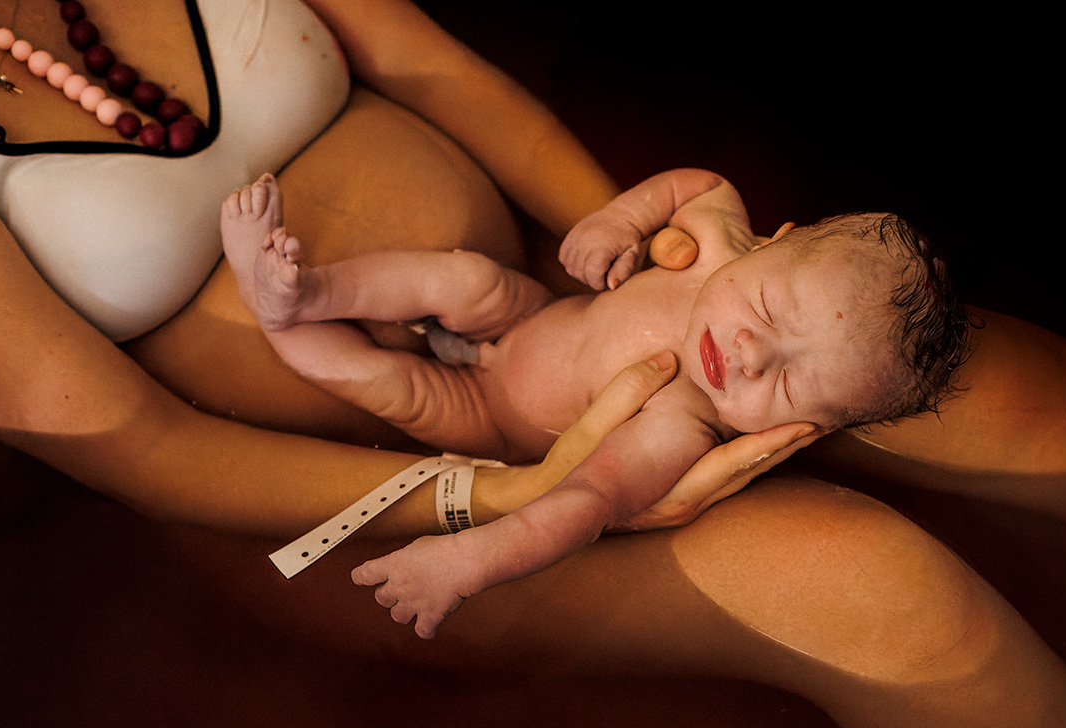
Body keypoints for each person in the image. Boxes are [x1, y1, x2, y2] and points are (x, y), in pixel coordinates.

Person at [0, 1, 1066, 728]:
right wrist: (516, 490)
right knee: (885, 591)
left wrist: (644, 261)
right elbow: (145, 447)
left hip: (550, 304)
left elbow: (440, 74)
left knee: (971, 371)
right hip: (351, 497)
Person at [220, 167, 968, 637]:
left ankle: (282, 322)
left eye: (790, 386)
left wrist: (471, 560)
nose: (751, 353)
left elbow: (588, 500)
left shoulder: (682, 421)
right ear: (774, 242)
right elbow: (700, 187)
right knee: (466, 280)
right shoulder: (718, 242)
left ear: (806, 429)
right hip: (529, 315)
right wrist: (622, 220)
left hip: (488, 415)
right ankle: (309, 291)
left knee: (392, 385)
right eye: (770, 306)